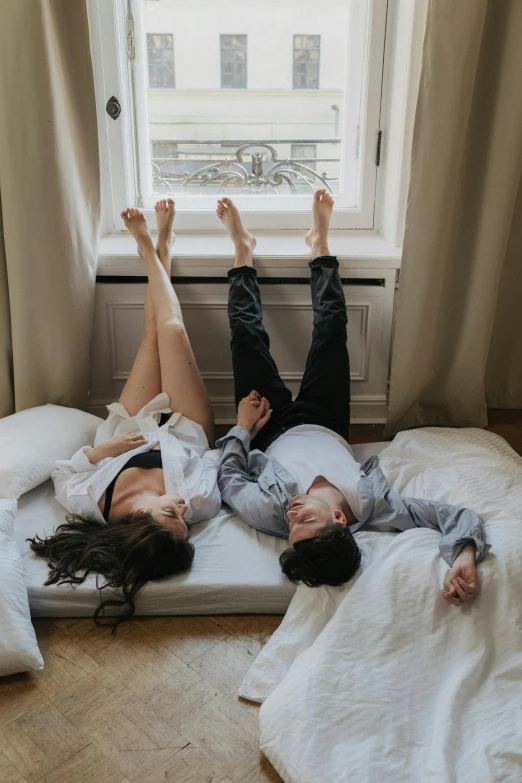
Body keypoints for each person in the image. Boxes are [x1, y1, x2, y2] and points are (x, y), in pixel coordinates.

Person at [215, 190, 490, 606]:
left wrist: (241, 425)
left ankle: (242, 251)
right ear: (340, 519)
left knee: (247, 337)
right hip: (326, 420)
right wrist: (465, 554)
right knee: (331, 329)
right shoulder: (378, 507)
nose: (291, 517)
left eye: (292, 528)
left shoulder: (272, 513)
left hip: (267, 424)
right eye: (305, 519)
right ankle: (320, 244)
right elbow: (450, 515)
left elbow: (230, 480)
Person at [30, 200, 221, 629]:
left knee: (153, 336)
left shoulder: (90, 505)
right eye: (183, 521)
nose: (181, 509)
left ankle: (160, 250)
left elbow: (63, 471)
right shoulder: (201, 503)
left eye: (169, 514)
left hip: (131, 422)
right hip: (185, 425)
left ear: (136, 520)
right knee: (172, 331)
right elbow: (212, 459)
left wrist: (105, 451)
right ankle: (153, 252)